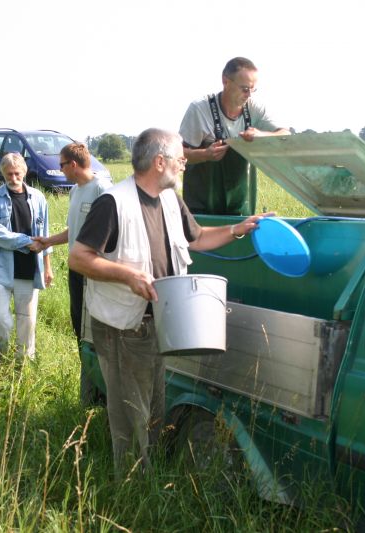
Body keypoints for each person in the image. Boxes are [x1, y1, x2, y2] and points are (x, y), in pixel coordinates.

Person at [68, 128, 270, 476]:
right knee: (130, 413)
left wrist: (240, 228)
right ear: (159, 162)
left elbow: (198, 237)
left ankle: (148, 475)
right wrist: (127, 276)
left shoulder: (170, 201)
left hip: (159, 322)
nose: (184, 164)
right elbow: (78, 258)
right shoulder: (113, 203)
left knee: (153, 407)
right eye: (180, 158)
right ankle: (130, 487)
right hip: (123, 327)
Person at [32, 143, 111, 406]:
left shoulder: (102, 190)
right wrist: (48, 241)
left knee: (97, 333)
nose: (60, 169)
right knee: (80, 330)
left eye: (62, 165)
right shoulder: (76, 191)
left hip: (95, 274)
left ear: (73, 165)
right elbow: (73, 231)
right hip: (76, 273)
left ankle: (103, 394)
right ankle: (89, 392)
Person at [179, 56, 291, 216]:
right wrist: (205, 154)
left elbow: (285, 134)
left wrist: (261, 135)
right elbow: (179, 154)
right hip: (201, 210)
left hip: (241, 210)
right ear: (225, 81)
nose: (249, 95)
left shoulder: (254, 109)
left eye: (253, 89)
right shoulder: (200, 109)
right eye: (245, 89)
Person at [0, 152, 53, 367]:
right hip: (1, 270)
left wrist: (47, 267)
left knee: (27, 322)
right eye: (9, 174)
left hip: (30, 269)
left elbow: (45, 233)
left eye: (17, 174)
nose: (13, 178)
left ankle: (24, 366)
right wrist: (27, 241)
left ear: (24, 172)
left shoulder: (38, 198)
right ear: (3, 174)